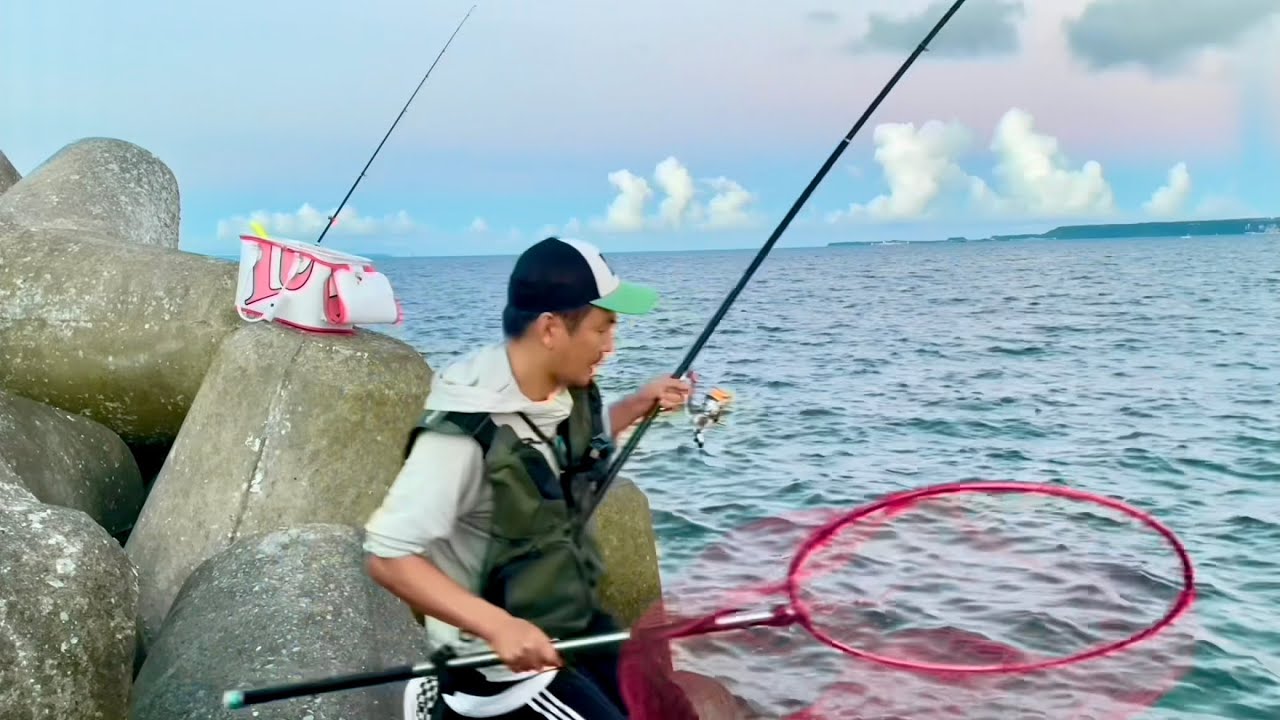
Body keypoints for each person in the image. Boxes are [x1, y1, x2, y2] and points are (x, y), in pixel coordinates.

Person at [362, 237, 691, 719]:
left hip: (568, 624)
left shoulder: (556, 388)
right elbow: (388, 555)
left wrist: (640, 404)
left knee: (668, 709)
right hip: (500, 674)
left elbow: (570, 448)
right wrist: (496, 626)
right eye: (603, 328)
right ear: (551, 329)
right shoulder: (463, 435)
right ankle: (448, 706)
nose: (610, 346)